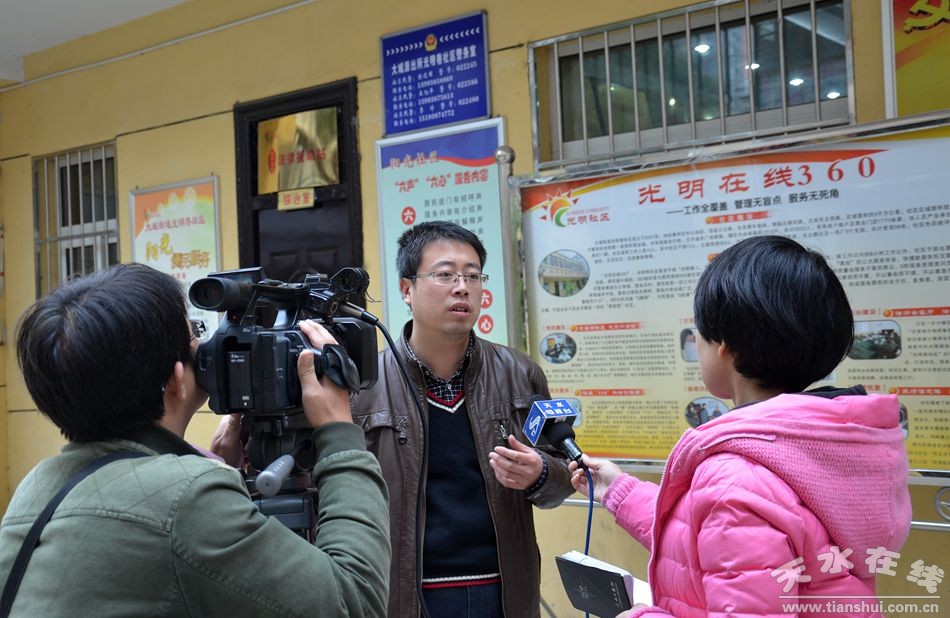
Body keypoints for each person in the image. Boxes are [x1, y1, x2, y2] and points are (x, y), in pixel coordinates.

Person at [0, 263, 390, 617]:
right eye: (196, 334)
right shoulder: (186, 499)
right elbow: (353, 602)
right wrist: (338, 431)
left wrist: (213, 472)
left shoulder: (38, 486)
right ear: (176, 379)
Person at [570, 236, 911, 618]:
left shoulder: (736, 478)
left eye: (699, 331)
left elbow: (732, 519)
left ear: (724, 346)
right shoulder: (822, 445)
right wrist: (620, 491)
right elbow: (714, 538)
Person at [351, 221, 574, 617]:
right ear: (406, 289)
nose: (462, 287)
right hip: (405, 594)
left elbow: (565, 475)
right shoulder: (365, 383)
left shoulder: (519, 373)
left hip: (503, 592)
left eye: (473, 276)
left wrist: (540, 472)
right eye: (445, 274)